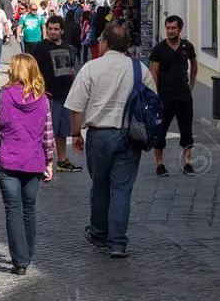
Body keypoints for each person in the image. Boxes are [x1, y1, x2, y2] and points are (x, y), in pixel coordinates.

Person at [66, 23, 156, 258]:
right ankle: (117, 243)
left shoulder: (91, 68)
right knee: (121, 189)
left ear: (104, 42)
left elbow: (76, 106)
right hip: (129, 136)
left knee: (100, 186)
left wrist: (76, 134)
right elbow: (153, 101)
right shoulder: (139, 69)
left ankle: (98, 233)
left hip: (99, 135)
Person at [0, 53, 55, 274]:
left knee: (13, 210)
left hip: (7, 159)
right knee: (29, 209)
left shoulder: (1, 96)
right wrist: (50, 161)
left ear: (15, 71)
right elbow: (48, 135)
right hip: (34, 161)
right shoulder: (43, 99)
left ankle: (20, 260)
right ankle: (27, 253)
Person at [30, 16, 82, 172]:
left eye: (56, 29)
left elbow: (71, 69)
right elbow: (30, 69)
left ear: (62, 30)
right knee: (46, 130)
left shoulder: (68, 47)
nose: (52, 32)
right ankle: (42, 161)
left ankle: (62, 159)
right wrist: (37, 88)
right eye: (50, 28)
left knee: (62, 130)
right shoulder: (40, 48)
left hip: (66, 95)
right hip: (48, 96)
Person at [149, 15, 199, 177]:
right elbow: (153, 73)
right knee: (161, 131)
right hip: (165, 96)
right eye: (168, 28)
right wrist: (156, 95)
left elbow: (194, 63)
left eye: (173, 28)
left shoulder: (187, 46)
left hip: (184, 96)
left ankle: (187, 163)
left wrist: (191, 83)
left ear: (180, 30)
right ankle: (159, 164)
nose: (170, 31)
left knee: (186, 130)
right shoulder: (159, 49)